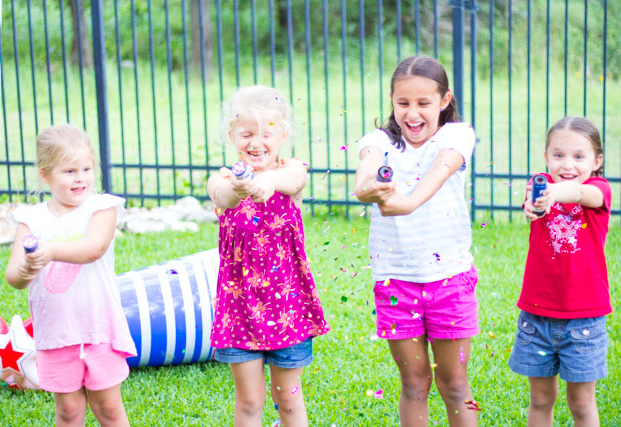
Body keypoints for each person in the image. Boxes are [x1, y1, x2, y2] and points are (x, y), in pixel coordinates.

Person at [355, 56, 479, 427]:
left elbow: (438, 173)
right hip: (396, 283)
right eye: (403, 103)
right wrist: (367, 188)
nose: (413, 113)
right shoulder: (379, 140)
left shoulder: (456, 135)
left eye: (424, 103)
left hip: (449, 281)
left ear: (444, 100)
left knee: (454, 383)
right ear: (392, 99)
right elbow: (365, 169)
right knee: (413, 382)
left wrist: (405, 202)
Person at [207, 85, 330, 427]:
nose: (256, 143)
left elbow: (292, 178)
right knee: (250, 400)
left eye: (266, 134)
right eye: (246, 134)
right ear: (232, 135)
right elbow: (224, 196)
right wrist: (242, 186)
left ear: (284, 134)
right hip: (240, 310)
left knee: (288, 401)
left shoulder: (293, 172)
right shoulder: (221, 181)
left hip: (288, 309)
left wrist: (269, 181)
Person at [5, 124, 136, 427]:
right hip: (56, 333)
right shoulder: (30, 219)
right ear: (45, 174)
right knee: (68, 411)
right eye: (70, 171)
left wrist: (49, 251)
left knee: (109, 408)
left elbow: (93, 249)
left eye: (87, 169)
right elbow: (13, 276)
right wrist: (25, 270)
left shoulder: (102, 207)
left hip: (98, 329)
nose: (80, 178)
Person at [509, 117, 611, 427]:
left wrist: (556, 192)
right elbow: (534, 201)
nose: (567, 164)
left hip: (584, 319)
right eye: (558, 155)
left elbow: (582, 196)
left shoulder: (599, 190)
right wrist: (534, 203)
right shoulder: (540, 183)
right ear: (546, 156)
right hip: (536, 317)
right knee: (540, 399)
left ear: (597, 161)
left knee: (581, 404)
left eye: (579, 156)